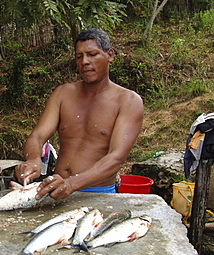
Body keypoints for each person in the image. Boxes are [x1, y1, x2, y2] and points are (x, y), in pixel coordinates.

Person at [15, 28, 144, 200]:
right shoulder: (62, 94)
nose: (85, 62)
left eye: (92, 54)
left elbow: (116, 157)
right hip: (57, 191)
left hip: (98, 194)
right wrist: (33, 159)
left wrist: (71, 184)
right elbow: (37, 136)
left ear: (110, 55)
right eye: (79, 56)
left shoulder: (128, 101)